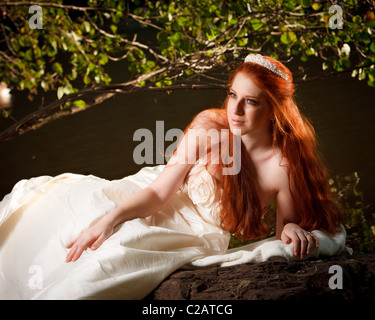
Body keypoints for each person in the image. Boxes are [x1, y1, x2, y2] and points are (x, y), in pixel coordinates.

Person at [0, 54, 342, 299]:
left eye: (250, 102)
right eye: (233, 95)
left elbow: (284, 233)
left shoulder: (283, 167)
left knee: (104, 265)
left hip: (194, 235)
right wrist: (111, 218)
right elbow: (159, 192)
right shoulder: (210, 125)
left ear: (275, 110)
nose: (234, 110)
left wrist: (294, 227)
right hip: (151, 196)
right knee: (70, 216)